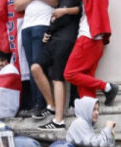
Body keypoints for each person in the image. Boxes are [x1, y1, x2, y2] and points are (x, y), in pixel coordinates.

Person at [32, 0, 82, 129]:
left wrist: (63, 11)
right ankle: (51, 106)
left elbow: (80, 9)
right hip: (53, 37)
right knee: (35, 67)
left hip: (66, 38)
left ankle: (59, 121)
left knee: (57, 78)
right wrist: (49, 32)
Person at [62, 0, 118, 103]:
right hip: (96, 40)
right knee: (86, 81)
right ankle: (90, 112)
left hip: (88, 38)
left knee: (69, 73)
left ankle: (107, 87)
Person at [15, 0, 53, 119]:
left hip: (43, 24)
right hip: (27, 27)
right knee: (32, 68)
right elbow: (17, 6)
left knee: (38, 66)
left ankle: (42, 104)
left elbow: (56, 2)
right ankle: (35, 104)